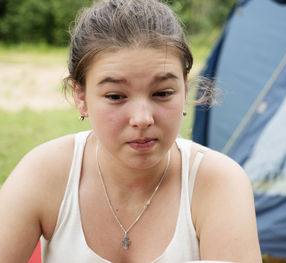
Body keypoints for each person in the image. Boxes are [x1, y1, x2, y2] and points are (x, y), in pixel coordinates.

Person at [0, 0, 262, 262]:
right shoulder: (46, 174)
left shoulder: (217, 184)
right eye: (115, 96)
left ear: (184, 88)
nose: (142, 119)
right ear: (81, 96)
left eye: (162, 93)